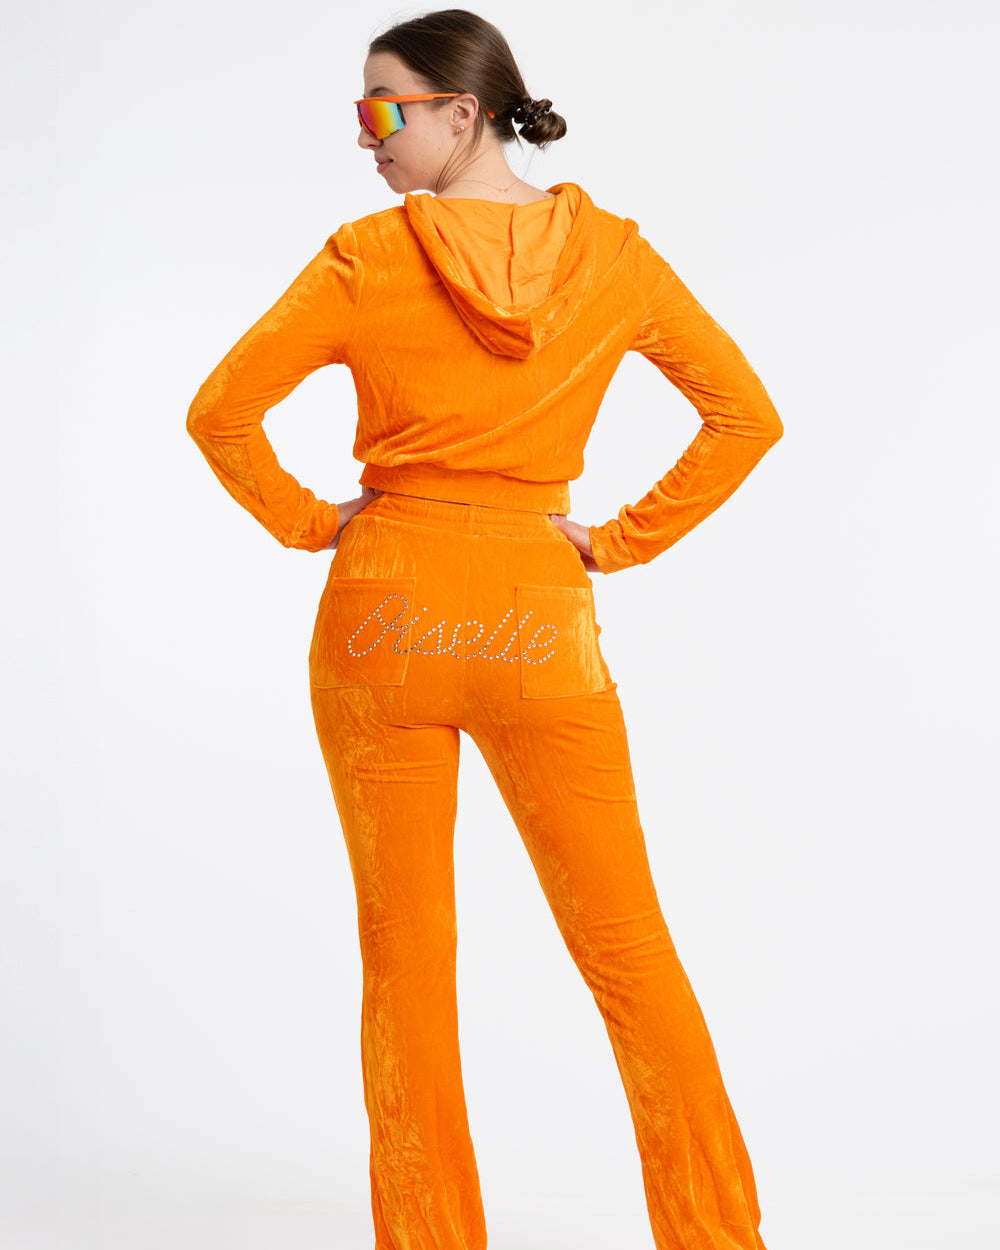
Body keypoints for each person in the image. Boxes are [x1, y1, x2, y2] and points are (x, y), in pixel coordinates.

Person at [186, 9, 783, 1249]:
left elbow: (220, 412)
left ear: (464, 110)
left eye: (382, 110)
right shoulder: (614, 259)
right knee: (630, 949)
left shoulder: (365, 257)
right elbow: (745, 416)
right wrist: (613, 541)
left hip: (383, 618)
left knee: (405, 961)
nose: (365, 138)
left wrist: (313, 523)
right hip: (536, 621)